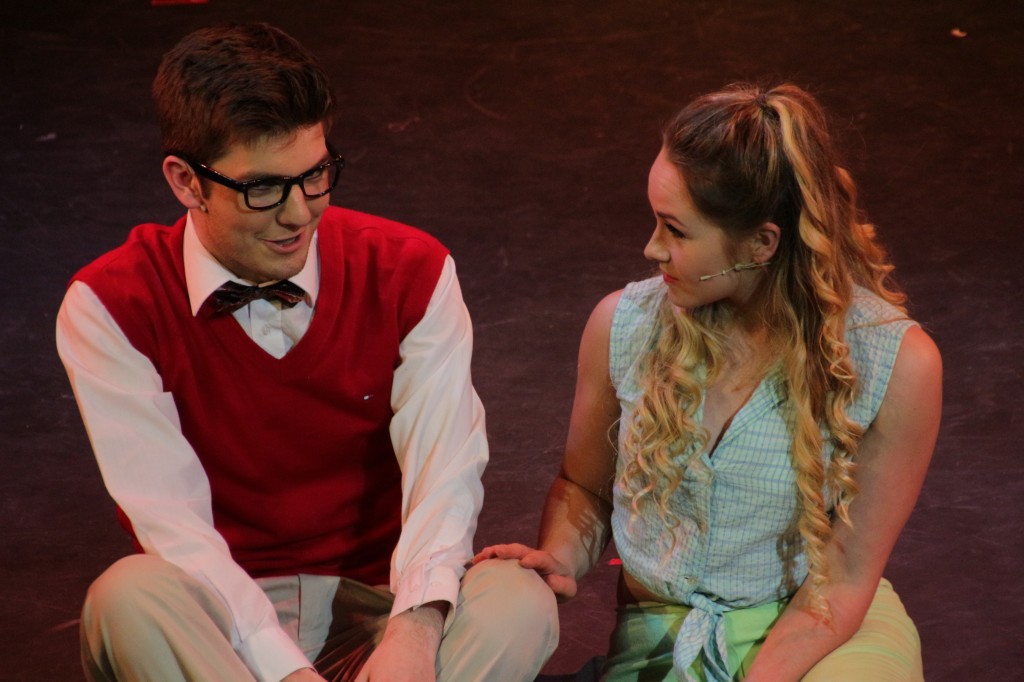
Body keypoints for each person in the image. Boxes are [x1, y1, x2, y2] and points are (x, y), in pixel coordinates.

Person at [56, 22, 557, 682]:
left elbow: (445, 474)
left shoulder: (411, 270)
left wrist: (413, 633)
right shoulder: (110, 303)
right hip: (220, 633)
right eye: (263, 188)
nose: (298, 214)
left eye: (316, 174)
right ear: (186, 182)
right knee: (128, 596)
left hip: (377, 612)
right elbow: (172, 527)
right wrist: (287, 673)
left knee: (518, 600)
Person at [476, 83, 941, 681]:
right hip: (666, 629)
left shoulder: (896, 363)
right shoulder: (624, 325)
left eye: (676, 230)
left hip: (820, 627)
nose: (652, 248)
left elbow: (847, 579)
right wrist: (562, 556)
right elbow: (583, 485)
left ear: (761, 243)